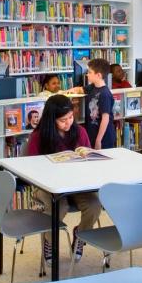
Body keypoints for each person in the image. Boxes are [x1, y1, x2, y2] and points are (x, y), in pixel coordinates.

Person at [26, 94, 100, 263]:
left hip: (76, 183)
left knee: (94, 205)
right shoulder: (39, 136)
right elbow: (31, 167)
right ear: (52, 120)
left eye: (71, 117)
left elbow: (87, 156)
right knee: (59, 207)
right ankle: (49, 242)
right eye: (63, 120)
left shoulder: (79, 131)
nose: (68, 123)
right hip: (47, 185)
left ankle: (80, 236)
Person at [83, 58, 117, 149]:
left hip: (104, 138)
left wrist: (98, 140)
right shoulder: (92, 87)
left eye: (89, 72)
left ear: (98, 75)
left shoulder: (105, 94)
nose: (87, 75)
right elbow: (81, 89)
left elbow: (105, 119)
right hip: (93, 133)